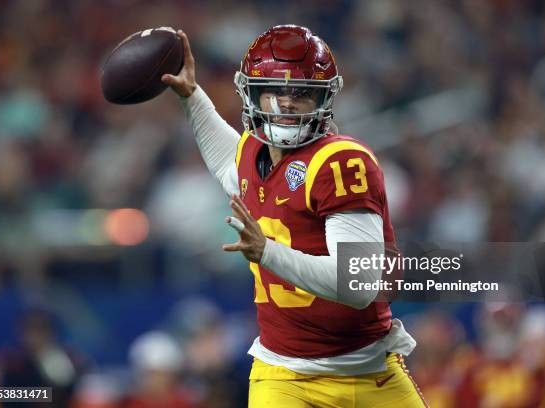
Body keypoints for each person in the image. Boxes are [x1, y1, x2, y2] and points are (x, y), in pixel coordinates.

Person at [161, 24, 426, 407]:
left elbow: (359, 285)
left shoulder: (340, 162)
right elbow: (227, 161)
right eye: (274, 92)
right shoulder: (253, 151)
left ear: (323, 98)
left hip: (367, 372)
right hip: (283, 373)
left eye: (301, 93)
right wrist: (191, 95)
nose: (285, 103)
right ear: (252, 93)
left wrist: (267, 252)